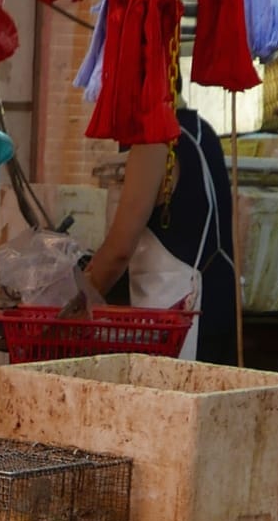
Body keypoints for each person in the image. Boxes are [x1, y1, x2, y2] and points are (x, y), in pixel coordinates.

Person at [79, 104, 241, 364]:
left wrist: (75, 303)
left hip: (186, 310)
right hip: (218, 301)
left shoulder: (153, 140)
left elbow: (119, 250)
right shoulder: (201, 132)